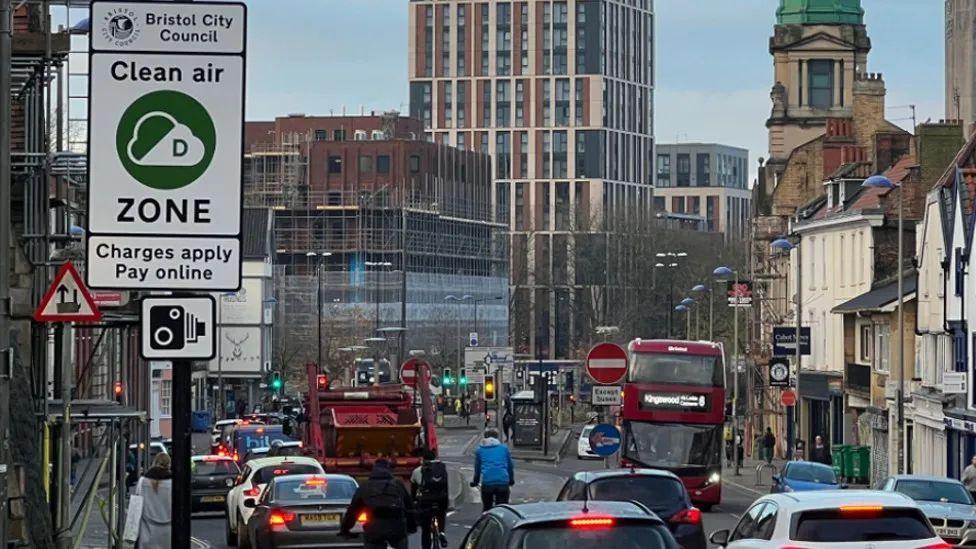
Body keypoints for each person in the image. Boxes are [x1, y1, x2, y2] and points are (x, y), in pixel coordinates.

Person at [341, 458, 415, 549]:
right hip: (396, 529)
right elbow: (409, 507)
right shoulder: (398, 485)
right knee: (400, 542)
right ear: (389, 470)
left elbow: (353, 511)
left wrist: (345, 529)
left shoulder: (365, 486)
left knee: (371, 543)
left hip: (374, 530)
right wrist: (412, 527)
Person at [411, 449, 449, 549]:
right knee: (441, 514)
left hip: (426, 500)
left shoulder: (417, 471)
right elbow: (446, 485)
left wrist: (414, 501)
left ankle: (426, 546)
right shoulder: (441, 467)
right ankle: (441, 532)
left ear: (423, 459)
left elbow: (413, 490)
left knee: (425, 528)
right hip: (441, 498)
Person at [133, 453, 172, 549]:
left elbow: (136, 507)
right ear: (168, 465)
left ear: (154, 463)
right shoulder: (172, 483)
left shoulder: (142, 481)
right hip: (168, 533)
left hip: (146, 532)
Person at [469, 428, 514, 512]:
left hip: (487, 483)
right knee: (503, 508)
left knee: (487, 507)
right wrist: (511, 480)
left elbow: (477, 469)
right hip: (503, 482)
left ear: (485, 438)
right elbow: (510, 466)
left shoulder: (480, 450)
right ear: (497, 438)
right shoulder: (504, 448)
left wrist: (475, 481)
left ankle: (486, 520)